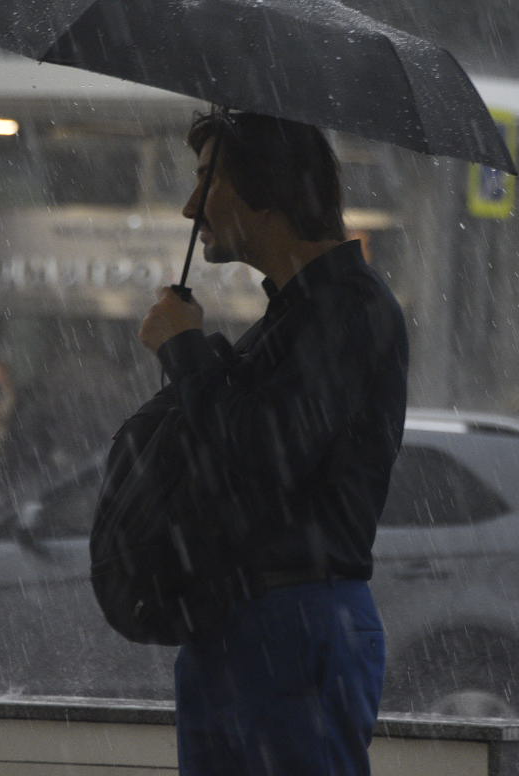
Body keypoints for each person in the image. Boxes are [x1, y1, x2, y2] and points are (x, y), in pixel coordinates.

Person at [134, 111, 409, 776]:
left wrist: (187, 353)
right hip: (245, 623)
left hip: (294, 623)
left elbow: (263, 455)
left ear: (265, 191)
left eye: (208, 182)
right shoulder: (295, 315)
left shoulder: (349, 308)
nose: (190, 206)